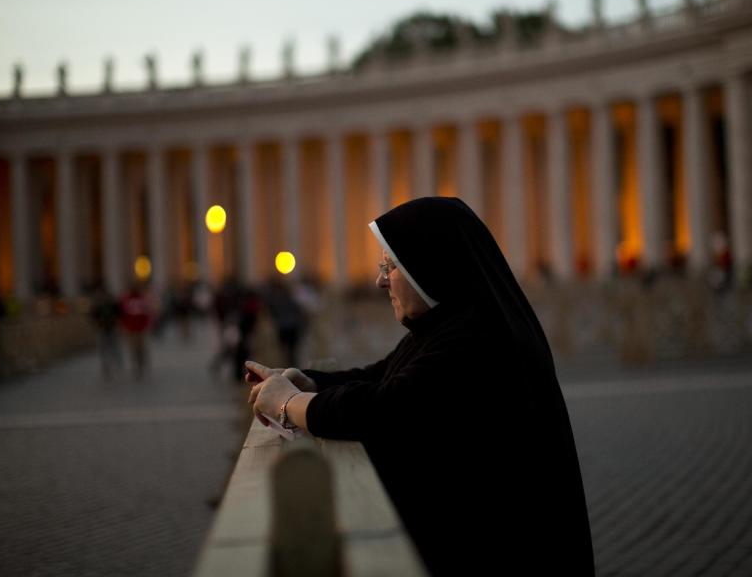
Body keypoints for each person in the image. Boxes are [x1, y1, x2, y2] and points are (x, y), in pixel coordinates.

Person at [244, 197, 595, 575]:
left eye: (390, 266)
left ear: (429, 265)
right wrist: (308, 380)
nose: (380, 280)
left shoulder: (476, 338)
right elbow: (381, 374)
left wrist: (290, 403)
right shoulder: (450, 322)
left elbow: (386, 407)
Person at [119, 282, 153, 378]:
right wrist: (124, 326)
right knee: (133, 348)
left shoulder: (142, 299)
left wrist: (147, 324)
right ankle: (136, 366)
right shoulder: (125, 300)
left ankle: (142, 363)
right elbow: (122, 314)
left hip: (141, 328)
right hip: (131, 328)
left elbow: (147, 313)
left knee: (141, 348)